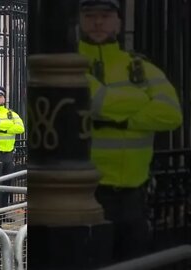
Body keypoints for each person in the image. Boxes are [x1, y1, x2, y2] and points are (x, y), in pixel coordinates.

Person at [78, 0, 183, 261]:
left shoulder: (141, 67)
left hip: (134, 194)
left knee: (134, 261)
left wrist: (118, 118)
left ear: (118, 23)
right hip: (88, 192)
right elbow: (95, 100)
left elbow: (171, 115)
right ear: (80, 22)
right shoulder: (72, 64)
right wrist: (139, 101)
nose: (98, 22)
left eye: (105, 16)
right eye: (90, 16)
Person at [0, 86, 25, 176]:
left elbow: (21, 128)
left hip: (8, 153)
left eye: (0, 97)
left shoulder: (11, 113)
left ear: (4, 98)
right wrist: (10, 126)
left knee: (8, 181)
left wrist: (4, 130)